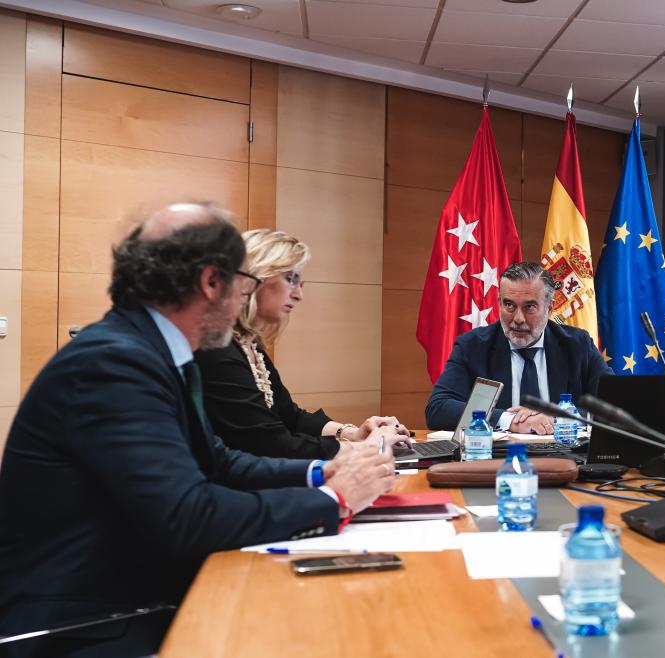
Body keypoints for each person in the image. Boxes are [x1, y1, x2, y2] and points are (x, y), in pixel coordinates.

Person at [0, 203, 396, 657]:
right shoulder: (115, 363)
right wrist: (334, 500)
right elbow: (186, 516)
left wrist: (318, 473)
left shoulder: (153, 350)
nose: (244, 300)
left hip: (134, 591)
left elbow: (217, 458)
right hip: (90, 621)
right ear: (212, 283)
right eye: (245, 284)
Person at [196, 229, 408, 459]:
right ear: (255, 277)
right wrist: (362, 448)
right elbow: (271, 444)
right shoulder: (219, 349)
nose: (299, 295)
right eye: (290, 279)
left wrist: (352, 433)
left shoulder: (249, 344)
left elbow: (289, 416)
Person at [425, 261, 612, 433]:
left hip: (566, 458)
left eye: (529, 307)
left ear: (549, 308)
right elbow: (438, 409)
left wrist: (558, 419)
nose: (518, 319)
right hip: (495, 460)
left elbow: (615, 405)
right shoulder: (473, 346)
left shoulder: (577, 344)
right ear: (499, 303)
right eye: (509, 305)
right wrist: (510, 420)